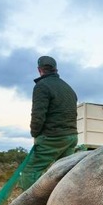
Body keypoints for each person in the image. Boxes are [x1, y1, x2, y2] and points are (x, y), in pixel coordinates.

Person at [18, 56, 78, 190]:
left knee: (30, 172)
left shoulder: (42, 86)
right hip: (71, 136)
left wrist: (35, 133)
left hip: (53, 137)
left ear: (39, 70)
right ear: (55, 69)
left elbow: (38, 115)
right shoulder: (68, 88)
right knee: (64, 172)